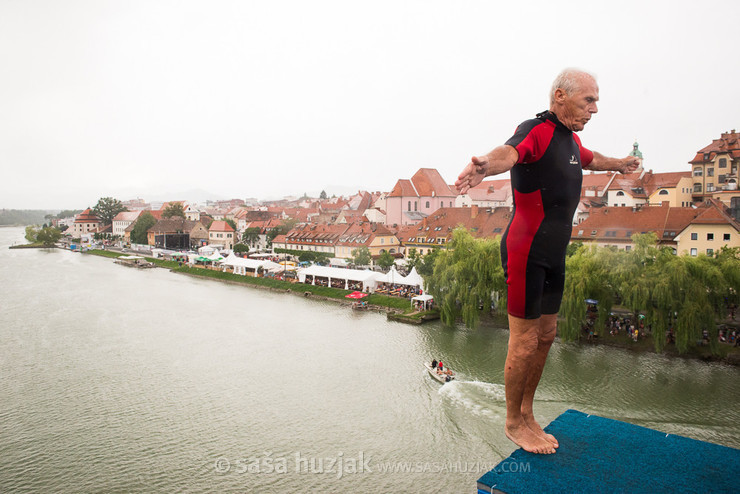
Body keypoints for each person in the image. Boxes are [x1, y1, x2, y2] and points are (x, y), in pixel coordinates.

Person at [455, 68, 639, 455]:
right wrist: (485, 164)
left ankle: (526, 412)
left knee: (547, 335)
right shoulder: (536, 130)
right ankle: (512, 423)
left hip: (555, 254)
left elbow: (592, 159)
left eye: (596, 101)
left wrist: (620, 163)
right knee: (523, 342)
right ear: (560, 96)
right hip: (526, 251)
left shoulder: (571, 141)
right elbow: (510, 152)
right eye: (589, 100)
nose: (595, 109)